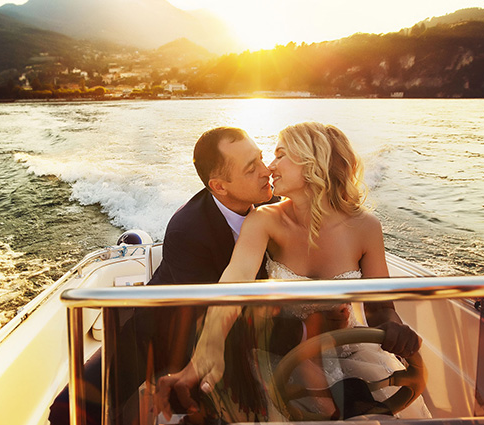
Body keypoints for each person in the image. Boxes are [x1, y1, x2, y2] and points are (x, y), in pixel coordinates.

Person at [157, 122, 430, 422]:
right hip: (280, 356)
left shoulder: (367, 227)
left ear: (313, 163)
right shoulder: (263, 220)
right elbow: (233, 284)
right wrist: (207, 350)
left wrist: (395, 330)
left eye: (279, 155)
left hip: (349, 351)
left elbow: (381, 311)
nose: (269, 168)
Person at [48, 127, 277, 424]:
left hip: (249, 329)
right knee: (69, 410)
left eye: (261, 158)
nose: (266, 169)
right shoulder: (188, 229)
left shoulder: (277, 207)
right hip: (162, 330)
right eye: (252, 168)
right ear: (219, 187)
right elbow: (204, 318)